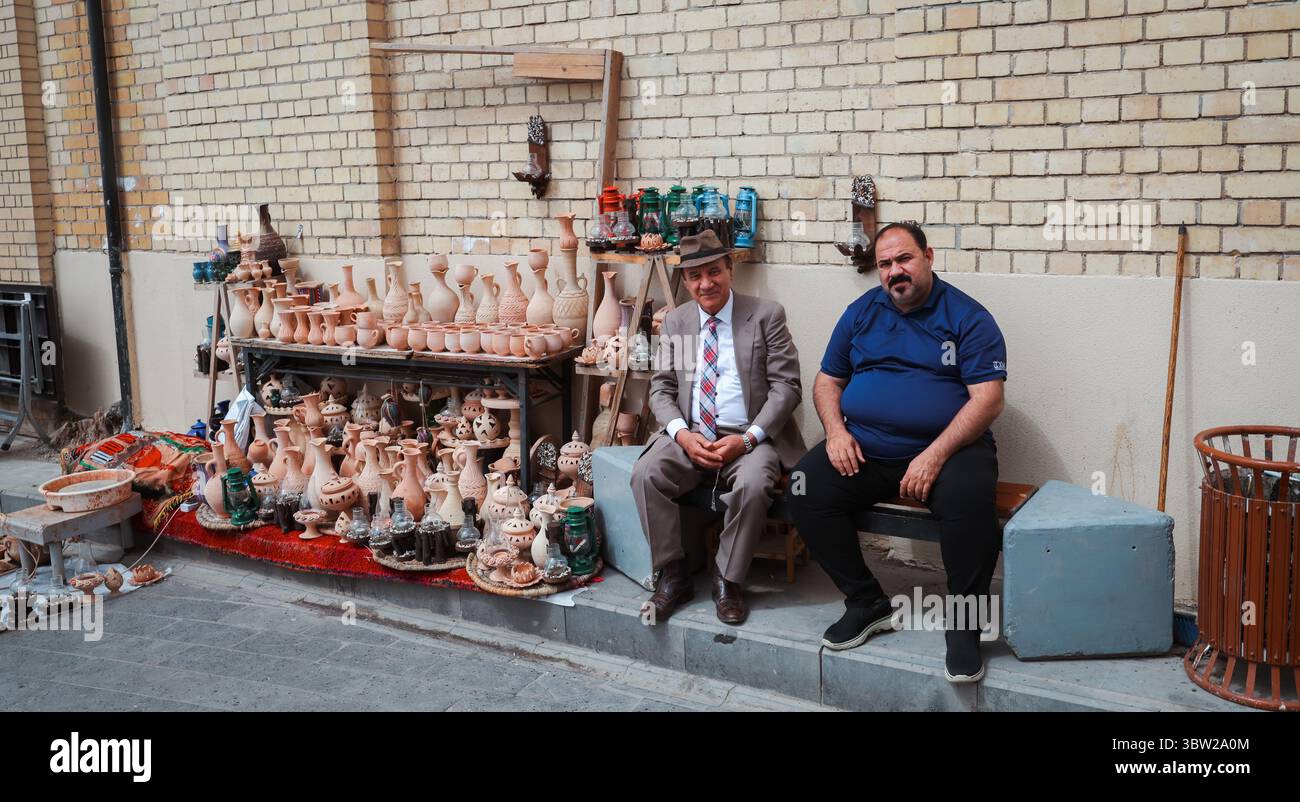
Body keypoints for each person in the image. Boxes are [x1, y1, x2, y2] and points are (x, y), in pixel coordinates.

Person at [788, 221, 1007, 683]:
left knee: (969, 502)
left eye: (903, 259)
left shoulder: (967, 317)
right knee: (805, 487)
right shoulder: (861, 312)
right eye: (884, 264)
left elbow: (988, 398)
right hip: (867, 446)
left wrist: (934, 454)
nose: (894, 271)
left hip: (951, 448)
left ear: (928, 256)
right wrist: (835, 432)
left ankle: (964, 625)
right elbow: (828, 381)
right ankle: (866, 603)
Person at [631, 230, 805, 625]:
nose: (705, 283)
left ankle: (727, 579)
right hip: (691, 432)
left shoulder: (765, 315)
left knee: (756, 483)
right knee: (645, 474)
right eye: (695, 276)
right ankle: (673, 576)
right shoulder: (677, 322)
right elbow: (662, 389)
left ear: (730, 269)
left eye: (713, 271)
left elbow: (786, 387)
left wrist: (747, 440)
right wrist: (682, 435)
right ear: (687, 281)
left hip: (747, 434)